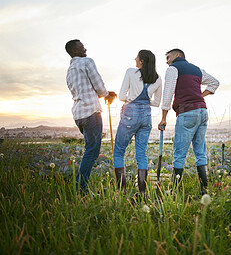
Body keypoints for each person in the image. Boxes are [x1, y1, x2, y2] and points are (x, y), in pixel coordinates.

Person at [158, 49, 219, 195]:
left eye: (168, 57)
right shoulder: (197, 70)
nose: (166, 61)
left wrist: (164, 118)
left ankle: (174, 190)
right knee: (200, 152)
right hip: (202, 112)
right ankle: (205, 190)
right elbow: (214, 83)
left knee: (179, 154)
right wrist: (200, 96)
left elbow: (167, 94)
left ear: (177, 56)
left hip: (187, 113)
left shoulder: (173, 69)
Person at [65, 39, 117, 192]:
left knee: (90, 150)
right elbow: (99, 85)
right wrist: (107, 94)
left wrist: (105, 94)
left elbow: (84, 91)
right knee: (92, 151)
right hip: (90, 112)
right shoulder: (87, 61)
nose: (85, 48)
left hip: (79, 114)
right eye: (81, 47)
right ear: (74, 51)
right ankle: (80, 187)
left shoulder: (70, 70)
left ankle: (81, 185)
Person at [113, 50, 162, 195]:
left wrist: (131, 100)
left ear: (141, 61)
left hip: (130, 114)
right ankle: (141, 192)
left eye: (137, 57)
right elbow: (156, 102)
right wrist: (144, 101)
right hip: (146, 115)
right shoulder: (158, 78)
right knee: (141, 154)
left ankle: (122, 191)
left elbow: (122, 96)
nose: (135, 58)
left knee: (119, 151)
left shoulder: (131, 72)